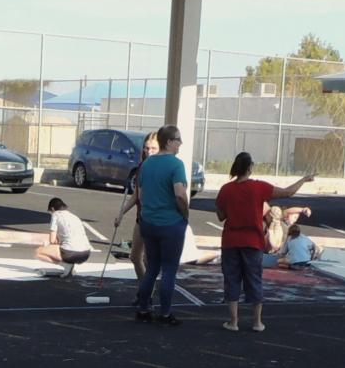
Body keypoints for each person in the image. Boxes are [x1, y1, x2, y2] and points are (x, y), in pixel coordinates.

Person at [215, 152, 313, 333]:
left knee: (232, 280)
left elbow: (221, 215)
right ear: (250, 168)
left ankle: (233, 321)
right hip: (252, 241)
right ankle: (257, 322)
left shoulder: (226, 189)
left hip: (231, 241)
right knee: (254, 279)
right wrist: (303, 180)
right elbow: (288, 192)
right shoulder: (259, 187)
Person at [128, 125, 191, 326]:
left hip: (149, 221)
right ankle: (165, 313)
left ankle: (144, 308)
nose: (180, 143)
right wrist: (185, 213)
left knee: (152, 267)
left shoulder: (146, 165)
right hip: (170, 223)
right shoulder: (176, 165)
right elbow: (180, 194)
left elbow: (142, 195)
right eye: (178, 139)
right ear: (170, 141)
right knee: (169, 269)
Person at [116, 134, 159, 281]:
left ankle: (148, 293)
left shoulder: (162, 168)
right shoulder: (142, 166)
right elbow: (137, 195)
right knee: (135, 256)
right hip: (141, 218)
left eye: (153, 148)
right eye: (147, 148)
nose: (149, 152)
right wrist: (121, 213)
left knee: (149, 259)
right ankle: (144, 289)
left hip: (155, 219)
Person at [35, 196, 93, 275]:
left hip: (71, 253)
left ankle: (66, 265)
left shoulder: (56, 215)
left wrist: (49, 245)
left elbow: (52, 240)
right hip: (86, 253)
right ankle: (70, 266)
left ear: (52, 209)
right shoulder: (74, 217)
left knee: (38, 252)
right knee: (66, 246)